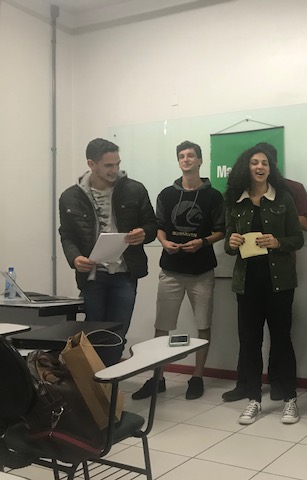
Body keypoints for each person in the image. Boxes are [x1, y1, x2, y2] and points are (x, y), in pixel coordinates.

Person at [131, 141, 225, 401]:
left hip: (202, 271)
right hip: (171, 269)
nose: (186, 159)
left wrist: (203, 242)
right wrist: (163, 242)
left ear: (200, 160)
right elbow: (159, 226)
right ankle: (157, 378)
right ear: (178, 161)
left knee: (203, 325)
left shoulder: (214, 196)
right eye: (182, 156)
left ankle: (197, 377)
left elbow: (221, 230)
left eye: (191, 155)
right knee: (162, 327)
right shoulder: (166, 194)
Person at [222, 141, 307, 402]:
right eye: (254, 163)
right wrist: (231, 242)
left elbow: (298, 238)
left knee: (281, 338)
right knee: (249, 339)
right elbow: (228, 243)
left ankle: (284, 389)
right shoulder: (235, 201)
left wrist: (277, 242)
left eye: (264, 163)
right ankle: (250, 391)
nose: (260, 167)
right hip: (247, 281)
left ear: (270, 168)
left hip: (279, 281)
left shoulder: (283, 198)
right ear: (246, 168)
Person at [58, 138, 157, 366]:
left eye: (117, 164)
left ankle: (108, 383)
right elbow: (67, 235)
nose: (115, 170)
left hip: (125, 274)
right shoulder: (70, 197)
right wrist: (75, 258)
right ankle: (94, 382)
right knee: (93, 334)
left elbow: (152, 225)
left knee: (117, 335)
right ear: (91, 164)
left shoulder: (135, 190)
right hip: (93, 276)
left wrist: (144, 233)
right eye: (108, 165)